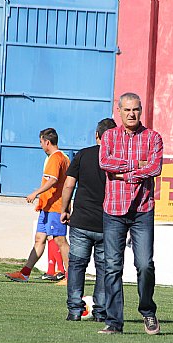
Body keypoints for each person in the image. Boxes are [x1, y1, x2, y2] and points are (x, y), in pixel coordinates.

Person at [98, 93, 163, 335]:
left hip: (142, 211)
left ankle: (148, 311)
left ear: (141, 110)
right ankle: (114, 322)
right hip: (114, 210)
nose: (131, 114)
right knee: (112, 267)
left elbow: (155, 167)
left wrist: (124, 172)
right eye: (127, 110)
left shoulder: (153, 137)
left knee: (145, 264)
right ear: (119, 111)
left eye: (135, 109)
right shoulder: (109, 136)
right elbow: (105, 163)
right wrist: (138, 165)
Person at [61, 118, 117, 322]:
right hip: (107, 224)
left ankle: (75, 310)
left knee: (76, 265)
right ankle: (100, 311)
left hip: (81, 221)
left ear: (97, 135)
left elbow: (68, 185)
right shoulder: (117, 158)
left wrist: (65, 208)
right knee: (103, 268)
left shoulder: (83, 155)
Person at [5, 128, 71, 284]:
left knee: (60, 240)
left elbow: (53, 180)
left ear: (47, 142)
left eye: (41, 142)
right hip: (46, 206)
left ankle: (70, 277)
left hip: (55, 206)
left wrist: (36, 192)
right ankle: (25, 273)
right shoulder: (60, 158)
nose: (41, 145)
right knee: (39, 238)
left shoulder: (56, 158)